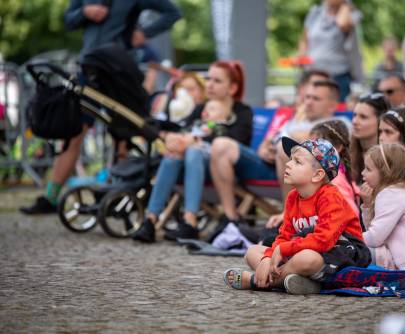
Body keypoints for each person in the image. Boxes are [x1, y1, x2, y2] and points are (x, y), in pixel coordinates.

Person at [20, 0, 182, 215]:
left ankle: (120, 193)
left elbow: (172, 12)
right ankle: (51, 197)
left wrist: (144, 33)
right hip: (89, 70)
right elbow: (68, 20)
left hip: (118, 71)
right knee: (73, 133)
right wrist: (85, 12)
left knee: (122, 136)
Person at [223, 137, 367, 294]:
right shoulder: (293, 197)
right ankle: (298, 281)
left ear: (317, 175)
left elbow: (324, 240)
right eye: (291, 160)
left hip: (341, 251)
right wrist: (268, 258)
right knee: (253, 251)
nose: (288, 164)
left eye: (297, 162)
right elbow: (284, 235)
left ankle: (256, 281)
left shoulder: (331, 197)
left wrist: (283, 250)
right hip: (306, 249)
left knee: (307, 259)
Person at [131, 60, 253, 242]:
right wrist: (174, 139)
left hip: (223, 171)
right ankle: (151, 220)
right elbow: (183, 130)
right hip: (191, 167)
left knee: (193, 151)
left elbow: (236, 140)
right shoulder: (201, 109)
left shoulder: (242, 112)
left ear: (233, 88)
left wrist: (193, 140)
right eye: (209, 79)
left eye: (217, 81)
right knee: (174, 155)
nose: (209, 84)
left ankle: (190, 221)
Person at [210, 79, 341, 227]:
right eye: (307, 97)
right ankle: (231, 219)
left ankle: (290, 214)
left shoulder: (337, 124)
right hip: (270, 168)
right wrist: (266, 152)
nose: (308, 102)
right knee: (220, 145)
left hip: (304, 175)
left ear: (332, 105)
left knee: (284, 148)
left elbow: (314, 142)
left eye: (316, 99)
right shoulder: (292, 122)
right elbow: (264, 146)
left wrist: (281, 144)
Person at [298, 0, 363, 101]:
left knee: (338, 111)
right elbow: (304, 40)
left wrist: (345, 5)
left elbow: (342, 23)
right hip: (313, 75)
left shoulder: (351, 14)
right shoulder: (315, 13)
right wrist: (301, 58)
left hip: (337, 77)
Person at [350, 93, 390, 184]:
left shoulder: (389, 158)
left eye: (363, 117)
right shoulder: (346, 152)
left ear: (381, 121)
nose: (355, 121)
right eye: (354, 115)